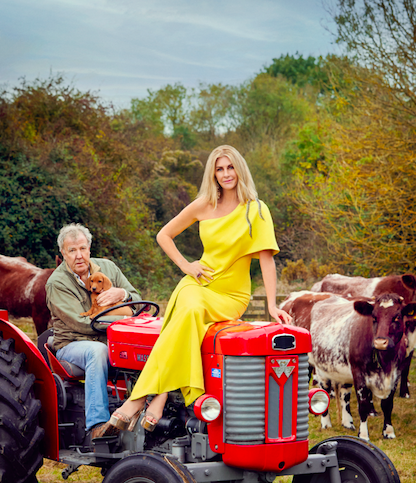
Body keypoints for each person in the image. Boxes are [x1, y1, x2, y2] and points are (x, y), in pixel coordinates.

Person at [102, 144, 291, 435]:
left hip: (231, 295)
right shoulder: (204, 204)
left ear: (239, 170)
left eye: (230, 167)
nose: (226, 174)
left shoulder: (256, 209)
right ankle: (156, 397)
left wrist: (271, 306)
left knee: (186, 316)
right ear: (213, 174)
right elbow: (164, 234)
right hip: (198, 282)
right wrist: (185, 265)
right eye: (219, 169)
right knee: (188, 309)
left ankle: (142, 398)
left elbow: (266, 261)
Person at [45, 223, 142, 438]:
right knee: (97, 351)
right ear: (63, 253)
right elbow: (81, 323)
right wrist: (122, 320)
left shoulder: (108, 268)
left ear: (89, 248)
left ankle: (142, 415)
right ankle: (97, 426)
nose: (79, 256)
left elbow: (138, 299)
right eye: (72, 250)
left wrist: (122, 294)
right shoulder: (57, 283)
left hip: (113, 340)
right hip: (72, 344)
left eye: (82, 248)